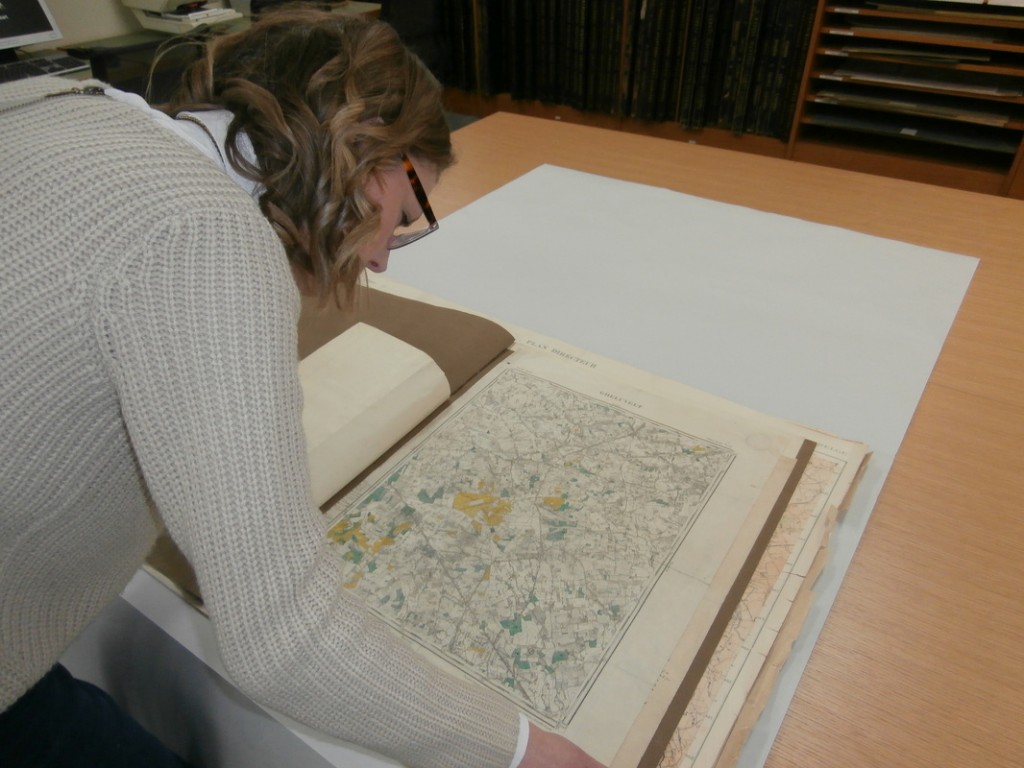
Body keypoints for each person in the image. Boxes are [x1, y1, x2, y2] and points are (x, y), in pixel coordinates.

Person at [0, 7, 605, 768]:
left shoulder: (69, 108)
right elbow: (285, 640)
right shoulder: (206, 238)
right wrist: (525, 750)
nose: (384, 257)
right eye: (409, 211)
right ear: (366, 153)